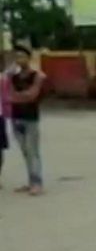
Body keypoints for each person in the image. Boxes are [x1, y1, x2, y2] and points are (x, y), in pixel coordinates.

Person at [9, 45, 46, 196]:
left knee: (32, 151)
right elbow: (8, 94)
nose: (19, 60)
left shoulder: (37, 76)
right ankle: (31, 181)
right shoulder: (13, 77)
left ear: (28, 58)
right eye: (17, 57)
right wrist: (17, 97)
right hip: (16, 117)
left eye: (22, 57)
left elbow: (32, 95)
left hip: (31, 118)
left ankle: (37, 183)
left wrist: (16, 97)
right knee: (25, 151)